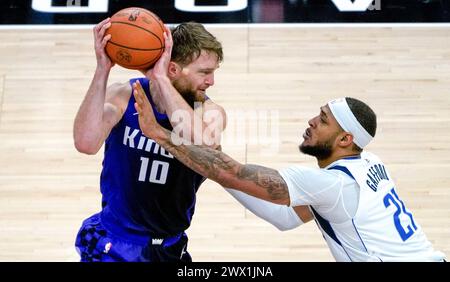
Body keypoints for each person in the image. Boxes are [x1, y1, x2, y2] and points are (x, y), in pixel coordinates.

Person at [133, 85, 447, 261]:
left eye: (323, 120)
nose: (312, 121)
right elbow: (284, 218)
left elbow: (234, 173)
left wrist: (159, 134)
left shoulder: (330, 184)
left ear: (345, 139)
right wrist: (213, 163)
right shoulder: (369, 164)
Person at [73, 18, 226, 262]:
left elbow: (204, 148)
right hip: (114, 241)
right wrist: (102, 69)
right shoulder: (124, 95)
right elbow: (85, 143)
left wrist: (163, 80)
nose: (211, 82)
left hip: (168, 246)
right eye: (205, 73)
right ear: (174, 68)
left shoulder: (209, 114)